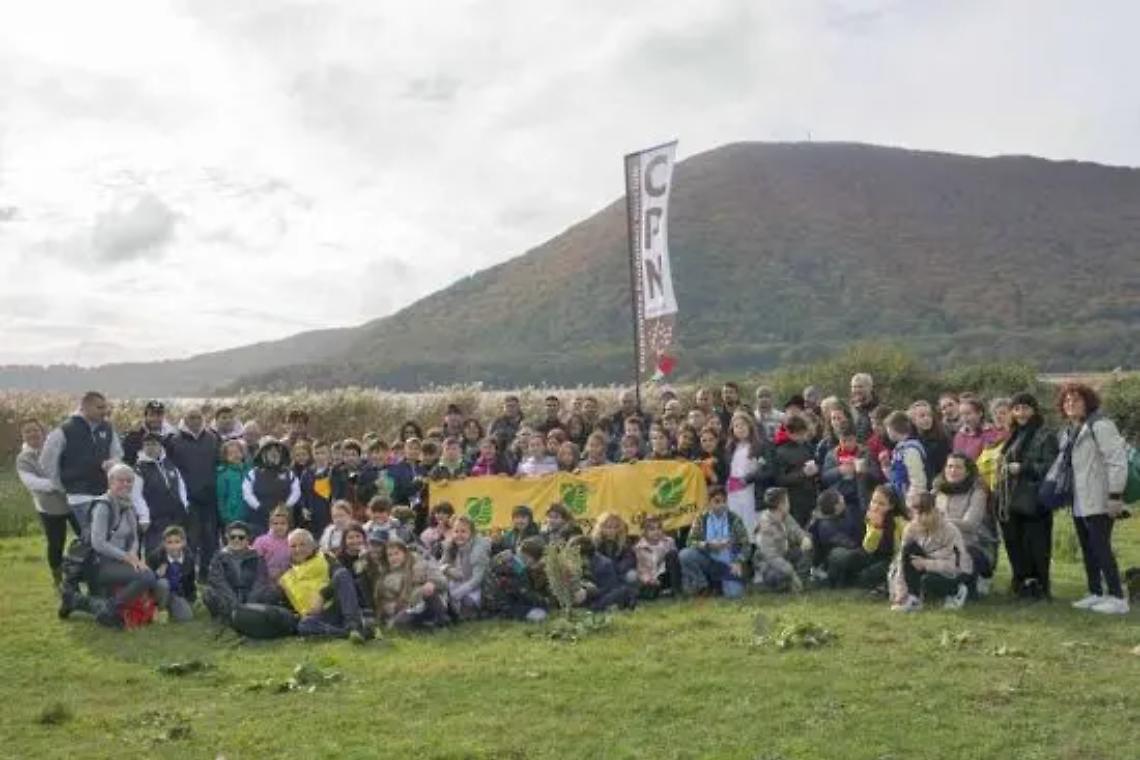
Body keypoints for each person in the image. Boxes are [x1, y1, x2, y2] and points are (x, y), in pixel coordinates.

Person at [58, 464, 167, 628]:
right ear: (110, 482)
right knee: (147, 576)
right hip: (98, 563)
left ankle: (81, 602)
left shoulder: (128, 505)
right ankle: (109, 608)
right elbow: (98, 543)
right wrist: (126, 557)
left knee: (147, 575)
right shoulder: (103, 506)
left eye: (129, 481)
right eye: (121, 480)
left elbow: (134, 538)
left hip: (119, 561)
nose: (125, 484)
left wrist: (133, 556)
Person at [1057, 383, 1130, 615]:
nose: (1070, 404)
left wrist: (1115, 496)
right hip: (1080, 499)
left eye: (1076, 400)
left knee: (1101, 546)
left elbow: (1117, 461)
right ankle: (1095, 592)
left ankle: (1118, 597)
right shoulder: (1071, 430)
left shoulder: (1101, 425)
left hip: (1100, 497)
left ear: (1088, 401)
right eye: (1066, 401)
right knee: (1088, 547)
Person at [996, 392, 1059, 600]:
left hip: (1035, 500)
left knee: (1037, 545)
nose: (1021, 413)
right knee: (1015, 543)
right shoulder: (1013, 433)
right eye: (1017, 408)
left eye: (1025, 408)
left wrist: (1024, 467)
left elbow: (1051, 466)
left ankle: (1039, 587)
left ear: (1034, 410)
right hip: (1012, 499)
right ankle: (1021, 584)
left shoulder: (1045, 434)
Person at [40, 390, 123, 538]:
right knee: (94, 537)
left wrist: (112, 463)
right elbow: (47, 461)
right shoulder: (64, 430)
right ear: (85, 407)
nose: (105, 411)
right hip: (80, 495)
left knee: (105, 537)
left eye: (105, 407)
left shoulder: (108, 428)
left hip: (105, 492)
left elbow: (118, 453)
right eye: (100, 408)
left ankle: (83, 560)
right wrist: (62, 485)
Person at [16, 418, 78, 590]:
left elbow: (71, 467)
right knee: (56, 543)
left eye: (35, 430)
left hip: (72, 502)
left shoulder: (56, 448)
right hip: (49, 508)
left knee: (85, 537)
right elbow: (33, 483)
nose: (32, 434)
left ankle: (85, 571)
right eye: (27, 431)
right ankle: (58, 578)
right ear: (23, 436)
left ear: (42, 431)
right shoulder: (23, 459)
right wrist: (59, 483)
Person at [890, 491, 972, 613]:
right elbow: (902, 561)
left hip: (953, 572)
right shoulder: (911, 529)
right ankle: (913, 598)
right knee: (909, 549)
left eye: (926, 513)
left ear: (935, 510)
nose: (921, 518)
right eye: (917, 514)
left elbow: (957, 565)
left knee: (929, 581)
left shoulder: (950, 530)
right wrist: (900, 591)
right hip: (927, 566)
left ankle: (957, 591)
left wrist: (926, 564)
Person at [281, 529, 367, 641]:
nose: (298, 549)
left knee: (342, 574)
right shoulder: (286, 575)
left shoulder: (325, 557)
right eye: (293, 546)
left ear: (312, 545)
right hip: (319, 618)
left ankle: (353, 625)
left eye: (302, 544)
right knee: (304, 625)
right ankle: (348, 633)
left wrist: (323, 594)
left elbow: (342, 577)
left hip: (337, 606)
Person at [165, 406, 220, 574]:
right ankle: (187, 575)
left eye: (198, 417)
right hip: (188, 499)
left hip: (210, 498)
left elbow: (218, 464)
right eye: (191, 417)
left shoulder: (213, 438)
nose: (195, 421)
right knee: (190, 540)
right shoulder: (174, 440)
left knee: (210, 540)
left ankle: (206, 573)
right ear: (185, 419)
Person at [933, 453, 998, 597]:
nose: (953, 471)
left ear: (967, 471)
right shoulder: (938, 491)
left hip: (974, 545)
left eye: (958, 467)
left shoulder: (978, 491)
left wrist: (941, 522)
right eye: (949, 467)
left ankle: (974, 581)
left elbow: (971, 524)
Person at [679, 486, 749, 598]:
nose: (721, 505)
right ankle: (702, 586)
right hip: (708, 558)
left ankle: (719, 585)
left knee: (734, 595)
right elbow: (690, 542)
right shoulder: (701, 518)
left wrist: (738, 561)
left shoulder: (734, 519)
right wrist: (707, 545)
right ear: (709, 503)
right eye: (717, 501)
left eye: (724, 502)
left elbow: (746, 545)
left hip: (728, 560)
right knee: (685, 555)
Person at [370, 535, 449, 630]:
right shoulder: (386, 577)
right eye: (390, 555)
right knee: (400, 622)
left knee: (430, 594)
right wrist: (393, 607)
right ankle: (428, 625)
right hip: (407, 608)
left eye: (396, 553)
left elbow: (442, 581)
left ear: (405, 553)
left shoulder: (420, 564)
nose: (394, 557)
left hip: (427, 600)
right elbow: (383, 600)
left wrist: (432, 583)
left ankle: (441, 621)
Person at [202, 520, 274, 621]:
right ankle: (224, 616)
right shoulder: (219, 557)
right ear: (227, 538)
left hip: (249, 595)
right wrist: (234, 602)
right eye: (232, 537)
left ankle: (251, 613)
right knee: (208, 593)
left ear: (247, 539)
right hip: (228, 596)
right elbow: (218, 581)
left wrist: (250, 602)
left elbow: (261, 580)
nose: (236, 540)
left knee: (270, 591)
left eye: (241, 537)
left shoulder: (257, 556)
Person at [131, 432, 190, 553]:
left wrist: (184, 505)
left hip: (175, 516)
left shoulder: (169, 464)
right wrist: (144, 517)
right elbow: (136, 496)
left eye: (154, 444)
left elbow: (181, 487)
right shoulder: (139, 468)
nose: (150, 447)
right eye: (147, 444)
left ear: (160, 446)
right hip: (154, 519)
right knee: (156, 551)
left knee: (177, 550)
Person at [753, 487, 812, 592]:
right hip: (769, 562)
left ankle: (799, 584)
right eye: (787, 501)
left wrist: (804, 538)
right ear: (780, 505)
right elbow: (771, 556)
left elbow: (796, 530)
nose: (789, 503)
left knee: (806, 550)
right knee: (776, 575)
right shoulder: (765, 525)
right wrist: (791, 572)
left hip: (784, 554)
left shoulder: (785, 516)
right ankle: (785, 585)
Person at [482, 537, 551, 622]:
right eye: (536, 561)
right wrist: (545, 601)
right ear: (530, 558)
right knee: (541, 612)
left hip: (489, 598)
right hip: (501, 605)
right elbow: (525, 594)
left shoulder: (506, 554)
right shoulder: (518, 569)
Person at [242, 439, 301, 537]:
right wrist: (258, 506)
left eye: (276, 452)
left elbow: (296, 491)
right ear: (263, 454)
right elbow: (247, 493)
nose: (273, 454)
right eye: (270, 451)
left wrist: (286, 506)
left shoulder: (289, 473)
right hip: (259, 517)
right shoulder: (253, 473)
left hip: (283, 517)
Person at [807, 489, 864, 587]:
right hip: (828, 563)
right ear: (836, 506)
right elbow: (846, 543)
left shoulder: (841, 515)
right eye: (841, 500)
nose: (844, 500)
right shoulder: (825, 526)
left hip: (837, 557)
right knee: (841, 554)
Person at [440, 515, 492, 620]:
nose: (459, 535)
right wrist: (447, 569)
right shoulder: (450, 546)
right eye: (456, 531)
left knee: (467, 602)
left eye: (463, 532)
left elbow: (477, 579)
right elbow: (441, 565)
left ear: (471, 533)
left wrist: (458, 593)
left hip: (476, 586)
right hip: (457, 581)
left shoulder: (478, 550)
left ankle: (466, 613)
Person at [772, 414, 819, 528]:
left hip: (811, 496)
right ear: (789, 433)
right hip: (793, 501)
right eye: (799, 434)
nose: (802, 437)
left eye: (804, 433)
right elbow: (779, 479)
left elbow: (816, 462)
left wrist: (817, 470)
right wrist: (803, 474)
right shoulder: (780, 452)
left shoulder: (807, 446)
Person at [570, 536, 638, 611]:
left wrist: (589, 592)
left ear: (585, 556)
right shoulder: (571, 563)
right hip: (585, 592)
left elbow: (610, 587)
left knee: (599, 604)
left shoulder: (604, 564)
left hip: (605, 592)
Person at [146, 525, 196, 623]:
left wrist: (190, 599)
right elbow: (145, 580)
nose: (173, 546)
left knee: (186, 617)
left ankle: (171, 607)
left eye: (177, 542)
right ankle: (160, 609)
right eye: (169, 542)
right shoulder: (155, 557)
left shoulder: (189, 559)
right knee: (163, 583)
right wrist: (156, 574)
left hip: (176, 593)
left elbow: (190, 581)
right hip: (157, 592)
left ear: (184, 543)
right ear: (164, 544)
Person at [725, 412, 765, 535]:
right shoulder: (731, 447)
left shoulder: (758, 446)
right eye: (736, 426)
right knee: (736, 520)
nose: (740, 428)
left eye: (743, 425)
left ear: (750, 426)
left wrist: (748, 479)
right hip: (734, 491)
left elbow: (762, 469)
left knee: (751, 521)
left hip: (751, 489)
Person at [821, 421, 871, 514]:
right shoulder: (831, 455)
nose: (847, 444)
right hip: (839, 498)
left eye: (850, 440)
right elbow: (824, 478)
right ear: (839, 439)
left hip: (859, 498)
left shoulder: (865, 453)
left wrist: (864, 471)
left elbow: (875, 476)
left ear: (856, 438)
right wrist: (839, 471)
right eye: (843, 440)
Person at [634, 515, 681, 597]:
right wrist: (649, 580)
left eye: (659, 528)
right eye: (652, 529)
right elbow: (641, 569)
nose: (656, 531)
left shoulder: (669, 541)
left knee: (672, 554)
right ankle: (660, 592)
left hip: (666, 575)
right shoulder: (639, 548)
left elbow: (675, 563)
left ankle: (676, 589)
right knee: (646, 589)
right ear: (644, 532)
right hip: (651, 578)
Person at [883, 411, 928, 497]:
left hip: (909, 496)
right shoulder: (899, 448)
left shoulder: (911, 449)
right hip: (899, 492)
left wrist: (913, 498)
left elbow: (917, 478)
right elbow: (895, 474)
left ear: (893, 429)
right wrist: (886, 466)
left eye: (888, 429)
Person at [908, 400, 951, 485]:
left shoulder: (941, 438)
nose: (927, 419)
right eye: (922, 416)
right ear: (913, 420)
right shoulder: (910, 441)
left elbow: (945, 464)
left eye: (929, 415)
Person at [122, 400, 176, 466]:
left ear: (163, 417)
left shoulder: (171, 438)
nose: (155, 419)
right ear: (145, 417)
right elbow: (126, 462)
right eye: (151, 415)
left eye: (159, 415)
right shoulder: (133, 437)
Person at [591, 512, 638, 586]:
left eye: (615, 527)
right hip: (601, 574)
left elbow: (630, 559)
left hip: (619, 573)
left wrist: (616, 569)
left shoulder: (625, 541)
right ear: (601, 528)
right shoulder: (594, 542)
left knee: (632, 575)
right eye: (608, 527)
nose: (612, 530)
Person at [252, 506, 294, 582]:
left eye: (283, 523)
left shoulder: (292, 540)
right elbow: (254, 564)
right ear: (270, 525)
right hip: (265, 581)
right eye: (275, 523)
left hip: (288, 580)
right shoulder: (261, 541)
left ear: (288, 525)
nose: (279, 526)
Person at [849, 373, 880, 443]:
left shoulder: (879, 410)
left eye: (860, 387)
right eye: (854, 387)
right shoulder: (850, 410)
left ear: (870, 387)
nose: (856, 390)